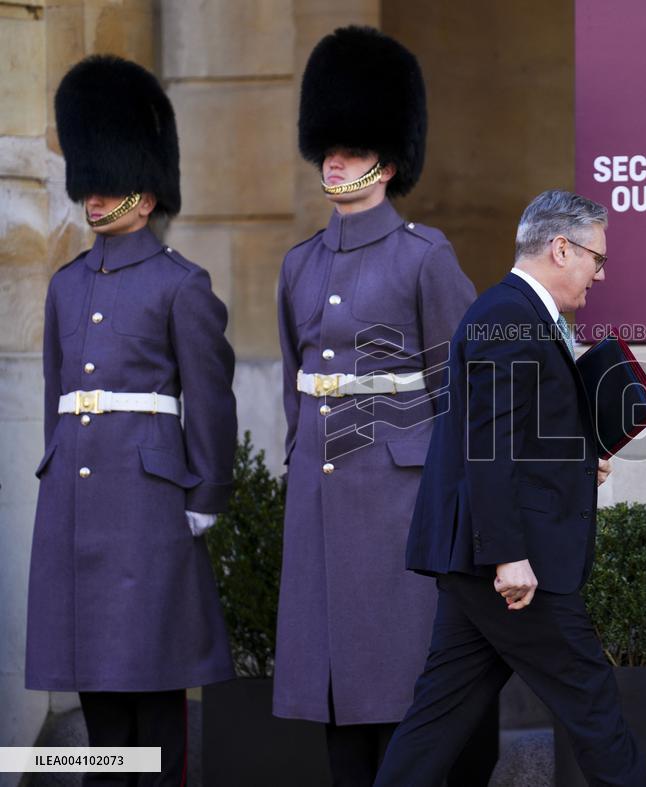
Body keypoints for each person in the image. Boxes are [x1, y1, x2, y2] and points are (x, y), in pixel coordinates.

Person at [373, 190, 646, 786]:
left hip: (484, 559)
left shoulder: (518, 313)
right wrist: (508, 556)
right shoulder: (507, 317)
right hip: (512, 563)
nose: (601, 275)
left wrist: (577, 461)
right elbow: (488, 446)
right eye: (598, 259)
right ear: (561, 249)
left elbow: (516, 433)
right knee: (593, 703)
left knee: (436, 721)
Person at [272, 26, 492, 785]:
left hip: (399, 499)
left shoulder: (424, 257)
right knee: (334, 689)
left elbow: (460, 388)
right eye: (328, 149)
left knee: (397, 680)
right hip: (321, 494)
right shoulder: (300, 264)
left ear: (387, 163)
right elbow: (296, 384)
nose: (334, 161)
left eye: (353, 150)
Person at [25, 55, 237, 785]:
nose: (95, 195)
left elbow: (210, 398)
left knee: (153, 686)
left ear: (144, 198)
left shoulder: (181, 284)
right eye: (91, 180)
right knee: (98, 691)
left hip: (150, 506)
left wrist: (206, 494)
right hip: (77, 507)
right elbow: (58, 398)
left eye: (110, 183)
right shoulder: (66, 286)